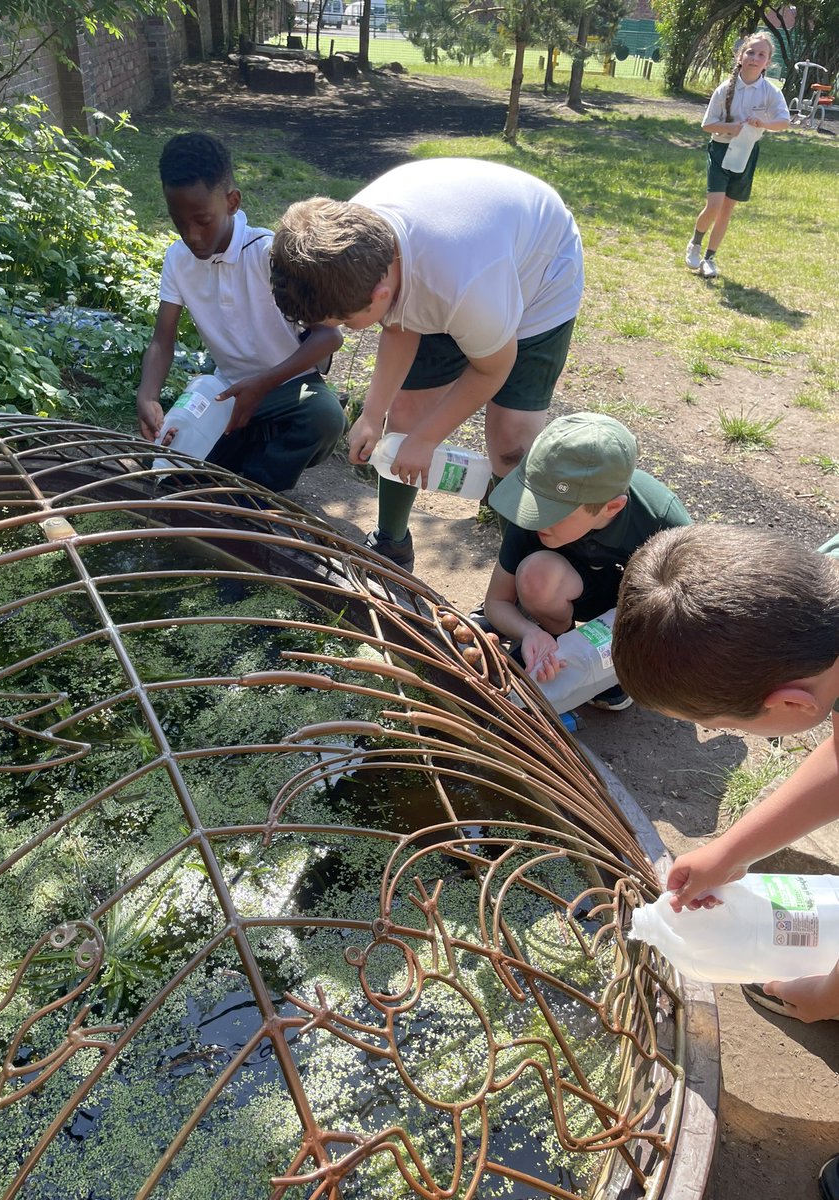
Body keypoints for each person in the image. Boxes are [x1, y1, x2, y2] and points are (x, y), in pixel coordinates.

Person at [612, 523, 839, 1198]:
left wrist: (826, 996)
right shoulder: (821, 595)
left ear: (792, 705)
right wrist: (730, 853)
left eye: (730, 727)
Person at [269, 158, 584, 571]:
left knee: (511, 445)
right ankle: (392, 543)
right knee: (405, 412)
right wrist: (373, 413)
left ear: (381, 291)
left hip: (539, 269)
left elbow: (493, 367)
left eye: (347, 321)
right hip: (457, 258)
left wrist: (427, 440)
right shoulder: (348, 245)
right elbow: (400, 323)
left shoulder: (465, 288)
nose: (347, 330)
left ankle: (521, 573)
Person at [136, 132, 346, 493]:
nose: (192, 236)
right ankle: (234, 463)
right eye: (179, 222)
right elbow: (162, 340)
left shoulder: (269, 254)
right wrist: (147, 395)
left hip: (287, 385)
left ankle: (254, 496)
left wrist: (263, 383)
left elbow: (329, 335)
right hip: (225, 391)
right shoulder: (178, 259)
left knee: (324, 415)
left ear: (232, 202)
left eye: (202, 220)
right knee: (172, 466)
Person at [483, 412, 691, 709]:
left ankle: (619, 667)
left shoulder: (663, 521)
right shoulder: (534, 511)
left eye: (552, 511)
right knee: (536, 575)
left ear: (612, 507)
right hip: (574, 588)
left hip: (637, 606)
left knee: (664, 608)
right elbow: (497, 602)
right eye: (535, 503)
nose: (535, 517)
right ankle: (560, 645)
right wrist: (532, 633)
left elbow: (690, 608)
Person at [685, 31, 790, 280]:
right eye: (750, 52)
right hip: (721, 150)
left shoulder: (770, 92)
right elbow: (707, 125)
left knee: (726, 211)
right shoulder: (725, 89)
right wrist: (730, 128)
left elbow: (783, 121)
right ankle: (695, 244)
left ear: (768, 62)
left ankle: (709, 258)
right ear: (740, 56)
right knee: (714, 205)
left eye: (761, 54)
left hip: (747, 152)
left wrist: (764, 122)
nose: (755, 58)